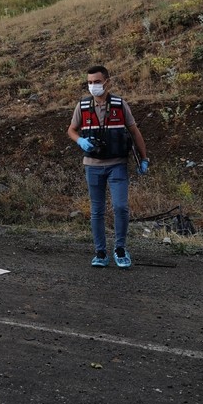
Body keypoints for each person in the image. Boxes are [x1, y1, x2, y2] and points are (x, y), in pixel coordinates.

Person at [67, 65, 149, 268]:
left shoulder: (120, 105)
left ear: (107, 82)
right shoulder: (83, 106)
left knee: (120, 207)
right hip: (92, 166)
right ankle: (100, 252)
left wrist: (144, 158)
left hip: (117, 164)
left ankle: (120, 249)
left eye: (97, 82)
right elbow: (71, 129)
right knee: (97, 210)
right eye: (90, 82)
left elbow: (134, 131)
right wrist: (80, 141)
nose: (93, 86)